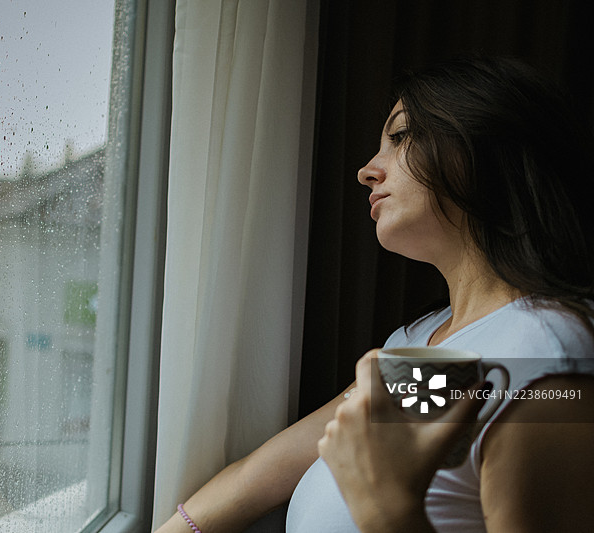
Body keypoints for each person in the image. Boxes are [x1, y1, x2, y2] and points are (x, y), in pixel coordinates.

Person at [154, 56, 594, 533]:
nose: (366, 170)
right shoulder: (430, 345)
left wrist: (391, 511)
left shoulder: (547, 359)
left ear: (484, 149)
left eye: (401, 137)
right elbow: (254, 480)